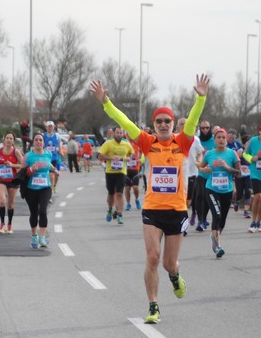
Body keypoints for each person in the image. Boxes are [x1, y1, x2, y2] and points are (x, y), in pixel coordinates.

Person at [90, 74, 210, 324]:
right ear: (154, 125)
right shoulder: (146, 142)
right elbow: (123, 120)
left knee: (168, 264)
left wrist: (200, 97)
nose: (164, 125)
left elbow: (195, 118)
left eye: (167, 121)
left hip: (176, 211)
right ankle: (153, 306)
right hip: (152, 210)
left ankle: (175, 276)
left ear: (173, 123)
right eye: (159, 122)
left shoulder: (184, 142)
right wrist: (106, 102)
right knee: (152, 257)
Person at [199, 128, 241, 257]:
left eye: (224, 137)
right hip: (211, 189)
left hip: (226, 190)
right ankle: (217, 245)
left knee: (222, 220)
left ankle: (216, 239)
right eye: (219, 137)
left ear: (227, 139)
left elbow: (239, 173)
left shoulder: (232, 154)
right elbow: (200, 167)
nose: (221, 140)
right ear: (215, 140)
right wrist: (204, 170)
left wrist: (227, 167)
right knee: (216, 215)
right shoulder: (209, 154)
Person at [24, 132, 58, 249]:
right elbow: (23, 173)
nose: (38, 142)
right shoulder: (28, 156)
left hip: (45, 187)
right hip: (31, 188)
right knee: (34, 213)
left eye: (41, 140)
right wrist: (31, 169)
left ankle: (42, 237)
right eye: (36, 140)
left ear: (44, 143)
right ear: (33, 142)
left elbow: (48, 165)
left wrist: (55, 170)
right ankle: (34, 235)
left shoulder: (48, 154)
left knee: (42, 211)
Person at [98, 126, 135, 224]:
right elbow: (100, 155)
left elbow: (131, 154)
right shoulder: (108, 143)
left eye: (120, 133)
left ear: (123, 134)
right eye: (117, 133)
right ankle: (110, 209)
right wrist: (111, 158)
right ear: (113, 133)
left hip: (121, 172)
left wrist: (127, 158)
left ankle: (120, 214)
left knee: (119, 193)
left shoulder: (126, 144)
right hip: (110, 172)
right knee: (111, 193)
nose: (119, 135)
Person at [175, 117, 203, 232]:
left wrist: (199, 161)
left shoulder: (195, 139)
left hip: (191, 173)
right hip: (178, 174)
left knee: (188, 201)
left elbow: (200, 153)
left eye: (186, 124)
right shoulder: (174, 139)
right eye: (181, 124)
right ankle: (183, 225)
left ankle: (190, 215)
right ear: (177, 127)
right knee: (181, 200)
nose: (184, 126)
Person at [0, 131, 23, 233]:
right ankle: (2, 224)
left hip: (12, 180)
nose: (9, 140)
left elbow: (23, 165)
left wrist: (12, 165)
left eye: (11, 138)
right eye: (7, 138)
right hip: (1, 179)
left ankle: (9, 224)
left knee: (10, 204)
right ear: (4, 139)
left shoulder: (16, 152)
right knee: (2, 201)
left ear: (13, 141)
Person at [193, 120, 215, 231]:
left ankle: (204, 218)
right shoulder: (197, 140)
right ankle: (200, 220)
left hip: (212, 173)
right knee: (200, 196)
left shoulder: (214, 140)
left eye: (207, 127)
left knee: (207, 198)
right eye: (202, 128)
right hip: (200, 172)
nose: (205, 130)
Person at [124, 135, 142, 212]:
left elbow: (143, 153)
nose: (130, 136)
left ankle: (137, 199)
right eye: (128, 135)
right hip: (126, 169)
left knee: (135, 187)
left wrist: (140, 160)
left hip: (135, 168)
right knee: (127, 188)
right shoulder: (124, 144)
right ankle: (128, 203)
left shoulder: (138, 144)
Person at [43, 121, 61, 191]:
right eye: (49, 126)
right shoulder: (43, 135)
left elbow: (59, 145)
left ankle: (54, 185)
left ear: (53, 127)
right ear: (46, 127)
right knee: (51, 175)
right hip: (46, 158)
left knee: (56, 174)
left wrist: (60, 151)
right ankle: (50, 189)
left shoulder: (57, 136)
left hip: (55, 157)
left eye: (51, 126)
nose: (50, 128)